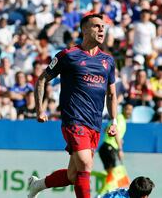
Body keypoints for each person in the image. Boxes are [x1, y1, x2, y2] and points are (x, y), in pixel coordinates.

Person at [29, 14, 118, 198]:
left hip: (95, 123)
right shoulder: (68, 55)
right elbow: (42, 79)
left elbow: (111, 94)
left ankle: (38, 184)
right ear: (84, 30)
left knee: (73, 175)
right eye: (96, 26)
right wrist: (39, 109)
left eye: (103, 26)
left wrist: (114, 120)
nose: (102, 30)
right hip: (74, 120)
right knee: (85, 164)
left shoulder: (108, 61)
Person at [99, 103, 133, 193]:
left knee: (111, 175)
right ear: (123, 109)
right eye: (127, 109)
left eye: (131, 110)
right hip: (108, 147)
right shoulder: (121, 119)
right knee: (112, 175)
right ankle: (104, 194)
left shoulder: (117, 119)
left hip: (106, 147)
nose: (129, 111)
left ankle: (106, 192)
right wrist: (120, 149)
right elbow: (116, 132)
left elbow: (106, 129)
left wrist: (119, 140)